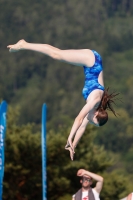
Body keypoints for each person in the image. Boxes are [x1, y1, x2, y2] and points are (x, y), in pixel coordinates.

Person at [7, 39, 118, 160]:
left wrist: (73, 145)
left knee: (57, 54)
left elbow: (82, 127)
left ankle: (24, 45)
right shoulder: (95, 101)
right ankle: (24, 44)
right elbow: (79, 119)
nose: (89, 121)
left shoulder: (93, 110)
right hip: (92, 60)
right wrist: (69, 137)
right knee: (56, 54)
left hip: (90, 64)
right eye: (92, 121)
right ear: (96, 113)